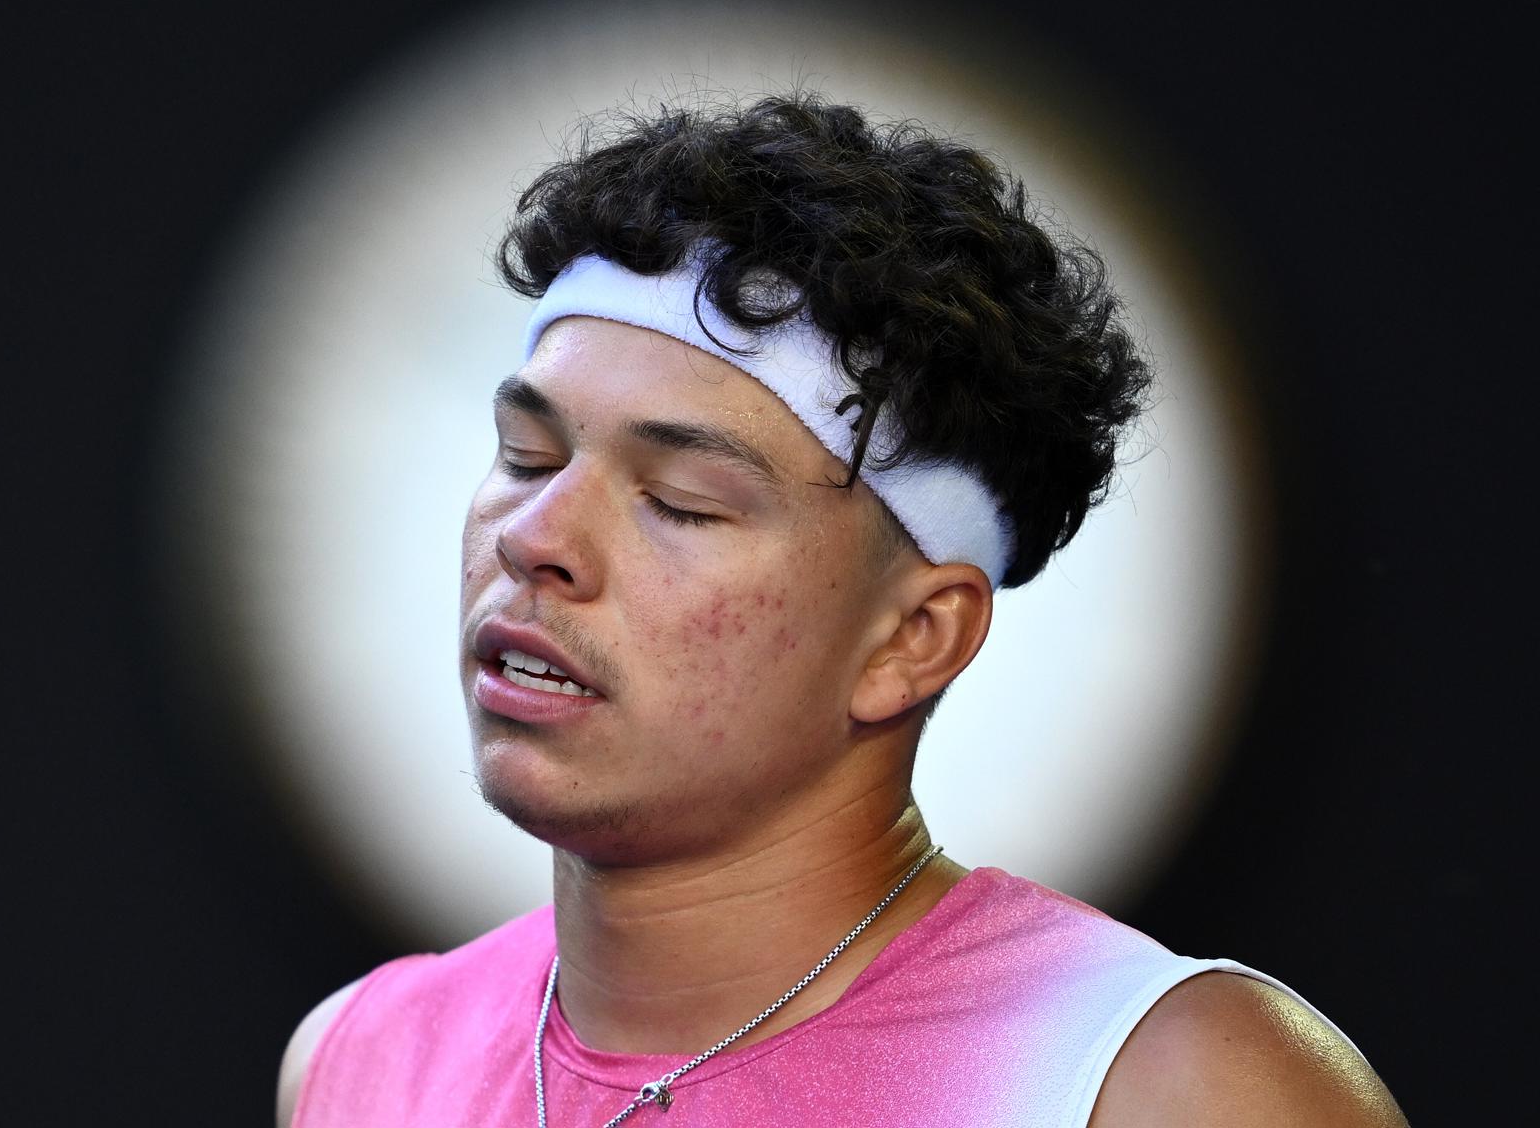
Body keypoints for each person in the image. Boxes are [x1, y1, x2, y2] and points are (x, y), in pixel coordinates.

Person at [276, 94, 1408, 1126]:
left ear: (915, 638)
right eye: (528, 456)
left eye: (679, 501)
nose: (534, 539)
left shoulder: (1169, 1086)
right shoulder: (356, 1063)